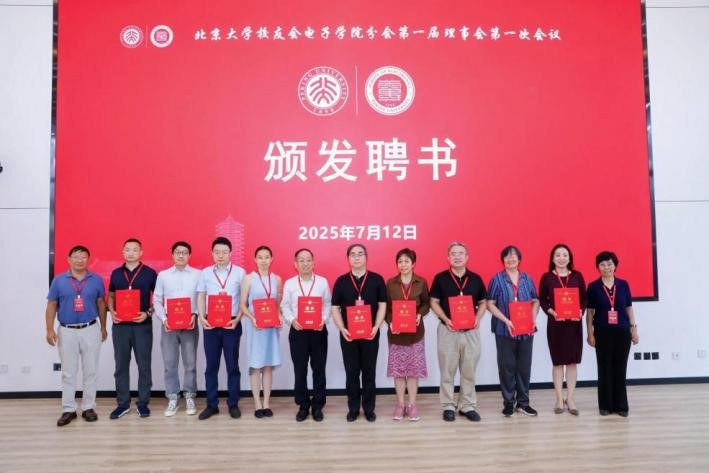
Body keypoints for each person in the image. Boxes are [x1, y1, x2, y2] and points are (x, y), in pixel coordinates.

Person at [45, 245, 107, 427]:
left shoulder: (96, 279)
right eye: (76, 257)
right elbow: (51, 305)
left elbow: (101, 304)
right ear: (69, 259)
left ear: (88, 259)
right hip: (67, 330)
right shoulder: (58, 280)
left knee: (91, 371)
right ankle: (68, 409)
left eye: (83, 257)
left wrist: (103, 327)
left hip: (91, 329)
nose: (79, 260)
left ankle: (88, 407)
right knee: (68, 372)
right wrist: (49, 329)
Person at [429, 242, 487, 422]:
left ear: (467, 257)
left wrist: (478, 318)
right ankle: (448, 405)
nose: (457, 256)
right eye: (453, 253)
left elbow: (483, 302)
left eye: (461, 253)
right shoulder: (440, 278)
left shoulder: (476, 279)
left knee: (469, 370)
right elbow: (433, 302)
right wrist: (445, 319)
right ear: (448, 257)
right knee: (447, 370)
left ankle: (467, 405)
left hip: (471, 332)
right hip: (448, 331)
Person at [331, 243, 387, 422]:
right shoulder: (341, 281)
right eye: (353, 254)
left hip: (371, 334)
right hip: (349, 335)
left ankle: (369, 409)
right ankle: (353, 409)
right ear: (348, 259)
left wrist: (376, 327)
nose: (356, 257)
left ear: (366, 257)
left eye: (360, 254)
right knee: (352, 372)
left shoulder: (377, 279)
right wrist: (342, 329)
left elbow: (382, 305)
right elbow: (334, 308)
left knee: (369, 372)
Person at [107, 238, 158, 419]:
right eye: (127, 249)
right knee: (121, 365)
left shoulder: (150, 273)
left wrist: (148, 313)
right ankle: (122, 404)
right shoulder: (115, 273)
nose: (131, 253)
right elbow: (110, 296)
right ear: (123, 252)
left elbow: (159, 299)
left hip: (142, 326)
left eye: (134, 250)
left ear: (141, 252)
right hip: (120, 326)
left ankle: (143, 403)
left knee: (144, 365)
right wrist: (112, 312)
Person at [487, 245, 540, 418]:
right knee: (507, 367)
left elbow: (535, 300)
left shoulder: (527, 278)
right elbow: (490, 304)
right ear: (503, 260)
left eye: (514, 256)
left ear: (519, 259)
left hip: (526, 330)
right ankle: (509, 403)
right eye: (507, 257)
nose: (511, 259)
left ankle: (523, 403)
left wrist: (532, 318)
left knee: (524, 367)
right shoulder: (497, 279)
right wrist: (506, 320)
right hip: (504, 330)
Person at [280, 248, 331, 422]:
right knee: (300, 370)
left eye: (308, 260)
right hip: (298, 331)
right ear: (295, 264)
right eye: (301, 260)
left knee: (319, 369)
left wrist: (323, 319)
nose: (305, 263)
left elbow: (327, 304)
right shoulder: (290, 283)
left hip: (318, 331)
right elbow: (285, 305)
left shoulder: (322, 282)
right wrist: (292, 320)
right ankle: (303, 405)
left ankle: (318, 406)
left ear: (313, 262)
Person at [197, 236, 246, 420]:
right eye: (217, 252)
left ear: (230, 253)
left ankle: (233, 404)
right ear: (212, 253)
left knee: (232, 366)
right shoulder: (205, 273)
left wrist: (238, 319)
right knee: (211, 366)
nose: (221, 255)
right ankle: (212, 405)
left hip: (231, 323)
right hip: (210, 324)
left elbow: (243, 299)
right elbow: (201, 296)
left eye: (224, 252)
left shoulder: (240, 273)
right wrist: (202, 317)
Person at [586, 251, 639, 417]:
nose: (606, 267)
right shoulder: (593, 286)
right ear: (598, 267)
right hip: (602, 332)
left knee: (620, 368)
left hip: (622, 331)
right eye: (602, 264)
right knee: (604, 368)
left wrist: (634, 328)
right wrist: (590, 333)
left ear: (615, 266)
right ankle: (605, 406)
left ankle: (621, 406)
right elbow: (590, 312)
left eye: (609, 264)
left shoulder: (623, 285)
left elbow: (629, 307)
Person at [152, 241, 201, 416]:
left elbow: (201, 298)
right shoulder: (163, 275)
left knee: (190, 363)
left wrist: (195, 314)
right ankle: (173, 397)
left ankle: (189, 395)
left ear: (189, 255)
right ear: (172, 255)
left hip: (190, 324)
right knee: (170, 363)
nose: (181, 255)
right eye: (178, 252)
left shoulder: (198, 275)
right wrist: (164, 319)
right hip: (169, 326)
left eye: (184, 252)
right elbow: (157, 300)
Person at [538, 243, 587, 415]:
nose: (561, 258)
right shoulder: (547, 277)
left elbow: (584, 298)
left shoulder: (577, 276)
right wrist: (551, 312)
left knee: (572, 362)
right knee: (558, 362)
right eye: (558, 255)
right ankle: (559, 398)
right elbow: (542, 300)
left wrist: (580, 311)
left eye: (565, 255)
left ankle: (570, 398)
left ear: (569, 258)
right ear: (552, 259)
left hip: (573, 325)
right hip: (556, 325)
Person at [384, 248, 430, 421]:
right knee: (398, 372)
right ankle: (400, 404)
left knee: (413, 371)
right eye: (400, 262)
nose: (403, 265)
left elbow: (426, 303)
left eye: (406, 261)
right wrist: (390, 322)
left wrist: (420, 314)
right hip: (396, 334)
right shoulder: (390, 283)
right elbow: (386, 307)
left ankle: (411, 405)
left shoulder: (421, 282)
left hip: (415, 334)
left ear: (413, 264)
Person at [240, 246, 282, 418]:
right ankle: (257, 404)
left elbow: (277, 304)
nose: (264, 260)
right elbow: (243, 305)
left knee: (268, 366)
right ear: (255, 259)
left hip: (271, 329)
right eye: (260, 257)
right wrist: (252, 319)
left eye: (267, 257)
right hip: (255, 327)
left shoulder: (277, 279)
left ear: (272, 259)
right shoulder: (249, 279)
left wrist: (279, 316)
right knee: (255, 366)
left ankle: (266, 403)